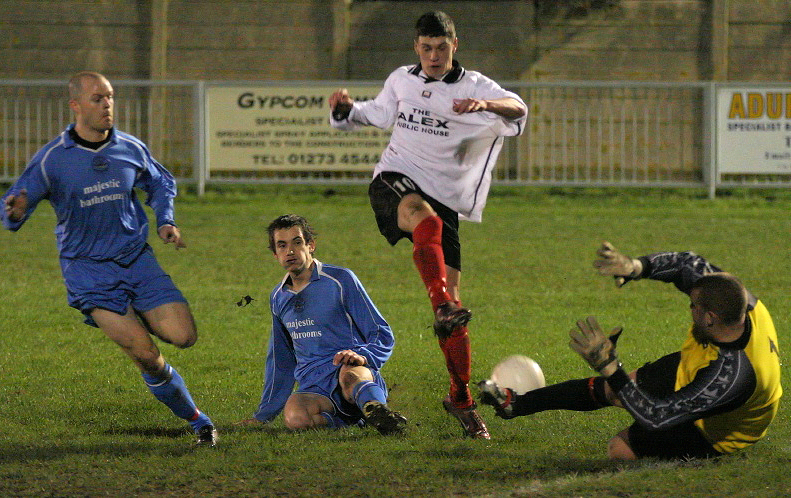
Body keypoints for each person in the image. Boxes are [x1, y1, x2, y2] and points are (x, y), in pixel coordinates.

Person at [328, 11, 527, 439]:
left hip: (444, 198)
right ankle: (440, 305)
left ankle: (461, 397)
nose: (434, 55)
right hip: (394, 180)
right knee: (425, 225)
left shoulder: (474, 84)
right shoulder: (402, 79)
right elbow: (377, 114)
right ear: (416, 48)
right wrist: (347, 110)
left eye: (441, 47)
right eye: (426, 47)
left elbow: (518, 107)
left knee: (456, 312)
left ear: (455, 46)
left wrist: (486, 104)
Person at [0, 71, 217, 447]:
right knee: (147, 354)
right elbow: (16, 205)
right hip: (88, 272)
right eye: (98, 98)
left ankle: (132, 321)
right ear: (76, 105)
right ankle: (200, 422)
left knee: (184, 337)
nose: (107, 104)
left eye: (111, 97)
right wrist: (13, 212)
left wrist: (165, 220)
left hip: (137, 261)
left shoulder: (130, 147)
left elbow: (161, 182)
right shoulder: (52, 159)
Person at [479, 241, 782, 460]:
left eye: (693, 306)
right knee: (614, 390)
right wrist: (636, 267)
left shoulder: (730, 377)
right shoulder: (739, 303)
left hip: (715, 431)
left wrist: (609, 364)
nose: (689, 308)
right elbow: (687, 263)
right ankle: (514, 404)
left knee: (620, 450)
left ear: (709, 318)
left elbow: (656, 416)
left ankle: (701, 460)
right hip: (698, 362)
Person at [239, 214, 407, 434]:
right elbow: (281, 359)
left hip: (351, 372)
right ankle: (353, 421)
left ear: (311, 246)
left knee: (350, 375)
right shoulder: (278, 297)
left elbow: (381, 333)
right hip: (315, 386)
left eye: (297, 242)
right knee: (295, 417)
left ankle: (379, 411)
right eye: (282, 245)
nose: (290, 251)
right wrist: (262, 416)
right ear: (275, 254)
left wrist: (363, 356)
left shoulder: (340, 280)